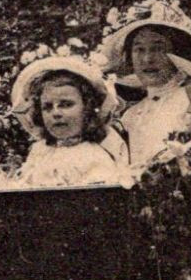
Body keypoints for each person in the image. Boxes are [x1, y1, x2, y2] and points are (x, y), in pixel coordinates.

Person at [97, 0, 191, 170]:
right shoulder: (129, 116)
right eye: (139, 49)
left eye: (158, 48)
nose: (147, 59)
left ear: (178, 53)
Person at [9, 56, 126, 189]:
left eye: (66, 104)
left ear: (87, 108)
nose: (56, 113)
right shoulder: (40, 152)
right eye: (47, 107)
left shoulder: (92, 156)